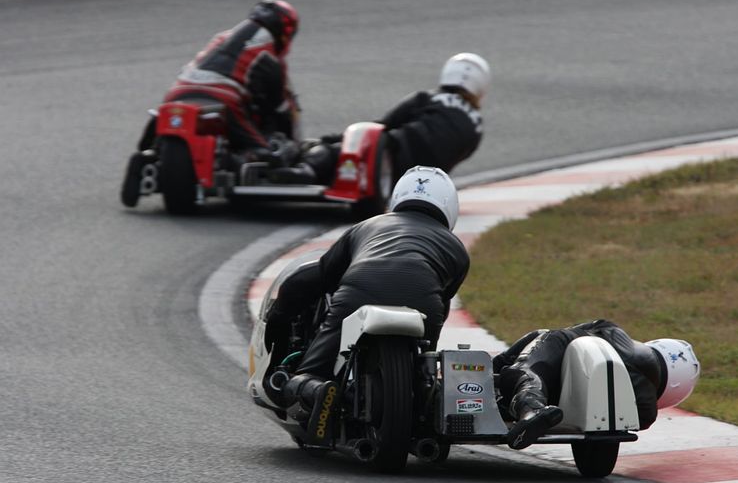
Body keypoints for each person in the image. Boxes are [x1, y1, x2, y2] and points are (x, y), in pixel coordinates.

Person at [263, 166, 470, 444]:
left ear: (398, 197)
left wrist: (279, 314)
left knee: (307, 374)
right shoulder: (457, 248)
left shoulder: (367, 225)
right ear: (450, 208)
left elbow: (323, 274)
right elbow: (443, 304)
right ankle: (422, 396)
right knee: (425, 370)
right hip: (424, 302)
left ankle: (319, 390)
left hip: (359, 291)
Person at [122, 0, 300, 206]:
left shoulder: (221, 38)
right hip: (224, 98)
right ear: (285, 31)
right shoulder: (268, 56)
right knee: (266, 153)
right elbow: (277, 107)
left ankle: (148, 155)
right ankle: (240, 165)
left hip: (179, 93)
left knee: (160, 123)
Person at [270, 53, 490, 185]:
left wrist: (330, 139)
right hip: (420, 178)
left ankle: (306, 169)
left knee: (339, 150)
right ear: (480, 85)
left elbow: (382, 126)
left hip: (397, 149)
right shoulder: (477, 128)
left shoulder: (430, 97)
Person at [492, 320, 700, 450]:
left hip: (559, 351)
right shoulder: (646, 413)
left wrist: (498, 364)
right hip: (569, 397)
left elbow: (544, 335)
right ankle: (524, 407)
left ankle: (530, 409)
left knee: (522, 372)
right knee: (526, 378)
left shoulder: (612, 331)